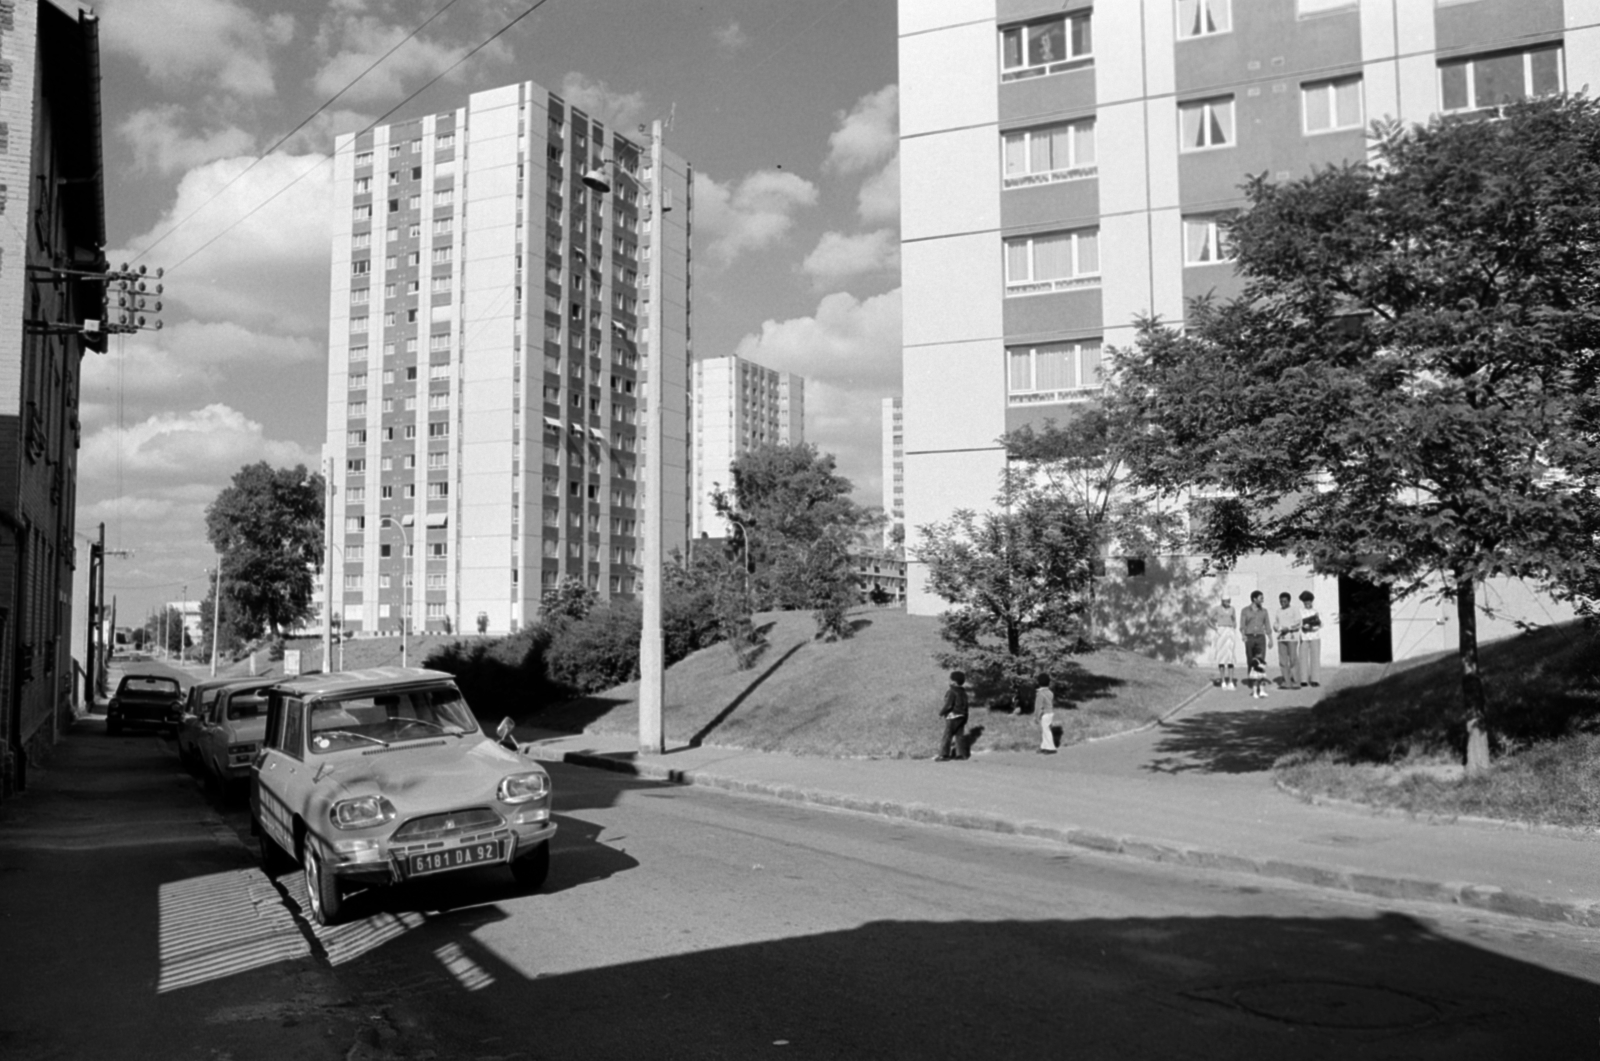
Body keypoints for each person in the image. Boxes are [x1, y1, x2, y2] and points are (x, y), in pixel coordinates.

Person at [1238, 591, 1273, 693]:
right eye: (1261, 598)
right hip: (1249, 637)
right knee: (1250, 659)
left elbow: (1267, 626)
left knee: (1260, 660)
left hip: (1260, 637)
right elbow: (1242, 625)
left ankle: (1260, 681)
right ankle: (1252, 680)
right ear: (1254, 599)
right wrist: (1243, 635)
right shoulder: (1245, 610)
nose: (1263, 600)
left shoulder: (1264, 611)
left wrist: (1270, 639)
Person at [935, 670, 969, 761]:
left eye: (950, 679)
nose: (949, 681)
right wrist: (965, 717)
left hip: (953, 716)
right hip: (962, 716)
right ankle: (961, 754)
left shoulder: (951, 691)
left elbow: (949, 705)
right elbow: (966, 706)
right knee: (959, 735)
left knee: (947, 735)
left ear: (954, 681)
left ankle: (943, 755)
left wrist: (941, 713)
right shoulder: (963, 692)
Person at [1208, 597, 1240, 689]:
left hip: (1230, 632)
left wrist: (1233, 627)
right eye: (1226, 601)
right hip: (1221, 632)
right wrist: (1215, 628)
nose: (1228, 603)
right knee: (1221, 657)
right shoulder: (1217, 609)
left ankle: (1230, 681)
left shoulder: (1232, 609)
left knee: (1230, 658)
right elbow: (1208, 619)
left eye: (1229, 601)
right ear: (1222, 601)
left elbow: (1234, 620)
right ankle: (1223, 681)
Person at [1274, 592, 1302, 690]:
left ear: (1289, 601)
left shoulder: (1294, 610)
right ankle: (1286, 682)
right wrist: (1276, 627)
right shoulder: (1278, 611)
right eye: (1281, 601)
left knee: (1293, 659)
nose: (1282, 603)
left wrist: (1289, 628)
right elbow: (1276, 623)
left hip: (1291, 638)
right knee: (1283, 661)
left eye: (1285, 601)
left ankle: (1296, 681)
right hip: (1281, 638)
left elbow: (1299, 623)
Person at [1298, 590, 1323, 687]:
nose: (1307, 604)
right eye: (1305, 602)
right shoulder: (1300, 612)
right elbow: (1299, 623)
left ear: (1311, 601)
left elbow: (1321, 624)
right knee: (1303, 658)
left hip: (1315, 636)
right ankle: (1303, 679)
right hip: (1304, 637)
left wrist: (1313, 627)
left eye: (1309, 601)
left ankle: (1315, 679)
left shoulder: (1316, 611)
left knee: (1315, 658)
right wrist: (1303, 627)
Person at [1034, 673, 1056, 753]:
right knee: (1045, 730)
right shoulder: (1050, 693)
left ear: (1038, 683)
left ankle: (1051, 748)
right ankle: (1044, 746)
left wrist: (1036, 717)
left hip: (1044, 714)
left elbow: (1038, 706)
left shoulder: (1040, 694)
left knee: (1046, 731)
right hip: (1050, 713)